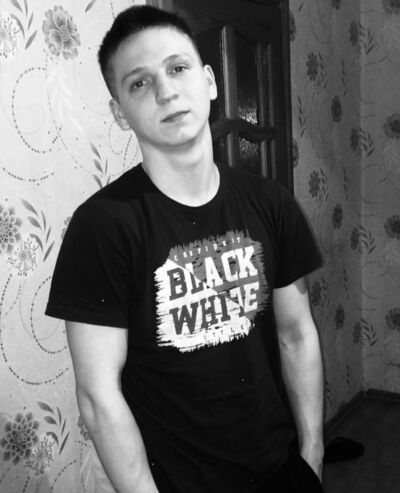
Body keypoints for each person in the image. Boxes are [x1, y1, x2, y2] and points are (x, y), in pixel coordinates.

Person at [46, 5, 325, 493]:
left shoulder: (271, 202)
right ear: (119, 112)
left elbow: (297, 334)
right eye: (139, 83)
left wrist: (313, 453)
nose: (166, 91)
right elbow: (98, 397)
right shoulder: (102, 227)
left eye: (177, 68)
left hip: (280, 469)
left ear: (210, 81)